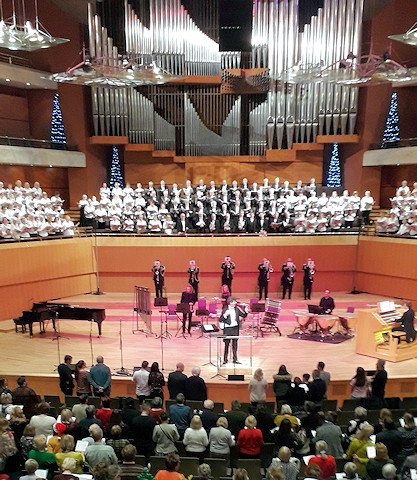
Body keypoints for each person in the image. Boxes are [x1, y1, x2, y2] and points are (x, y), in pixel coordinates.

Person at [219, 297, 248, 364]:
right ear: (230, 303)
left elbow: (243, 315)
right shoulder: (225, 310)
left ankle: (235, 359)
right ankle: (225, 359)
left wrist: (246, 311)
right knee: (226, 344)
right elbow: (220, 319)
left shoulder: (237, 309)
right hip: (228, 329)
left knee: (235, 344)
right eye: (234, 302)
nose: (235, 303)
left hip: (235, 329)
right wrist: (225, 315)